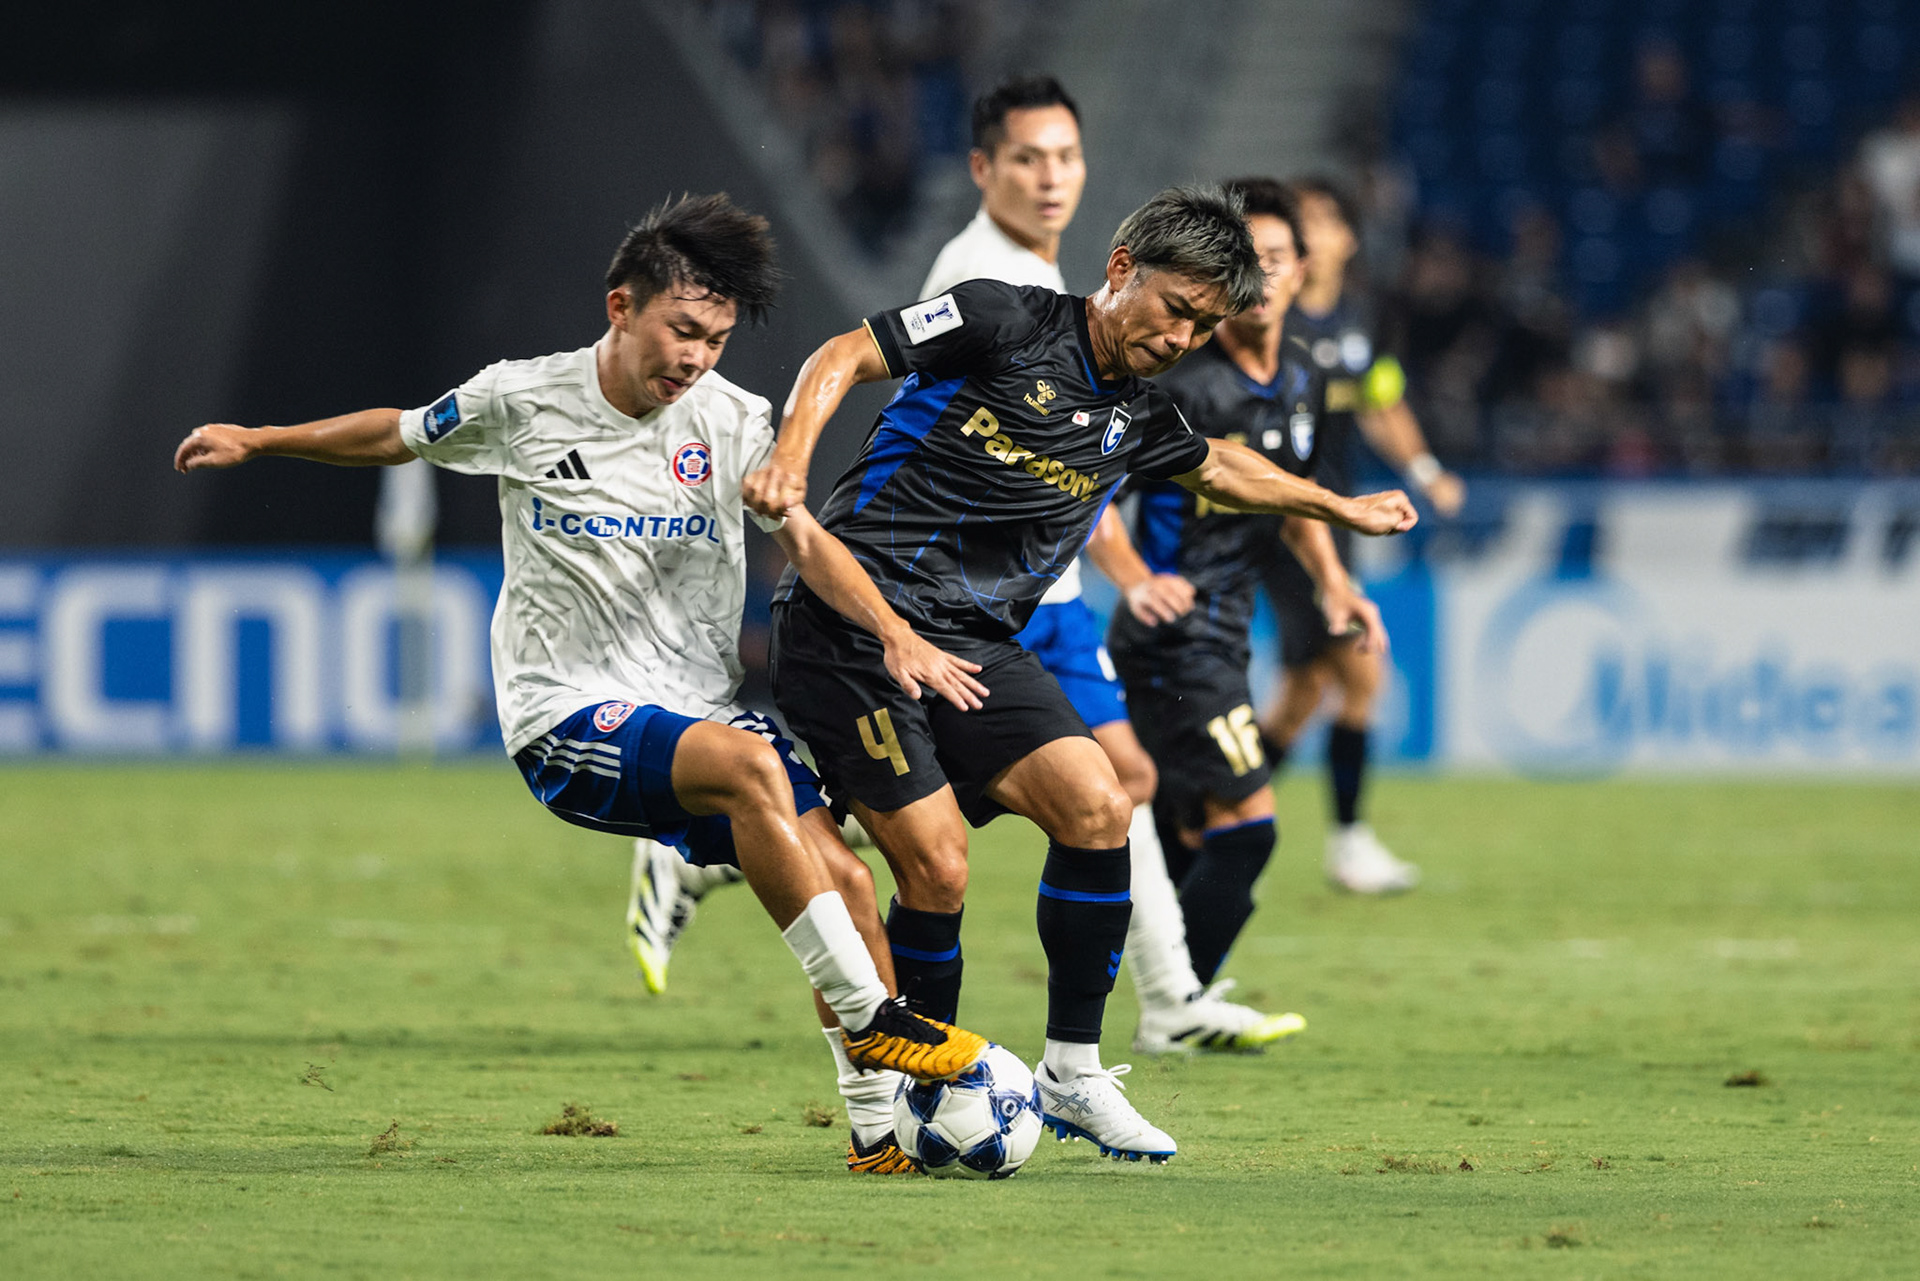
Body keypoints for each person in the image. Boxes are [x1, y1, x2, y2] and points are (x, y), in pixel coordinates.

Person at [172, 193, 993, 1174]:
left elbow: (803, 540)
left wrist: (897, 634)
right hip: (564, 713)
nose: (696, 357)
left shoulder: (735, 420)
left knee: (851, 884)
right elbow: (397, 433)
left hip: (696, 708)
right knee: (747, 769)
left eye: (717, 340)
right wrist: (261, 438)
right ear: (621, 307)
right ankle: (877, 1020)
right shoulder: (522, 400)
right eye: (683, 330)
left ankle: (874, 1134)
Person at [744, 185, 1419, 1162]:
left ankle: (1072, 1070)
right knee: (936, 862)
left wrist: (1338, 507)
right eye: (1176, 308)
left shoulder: (1141, 415)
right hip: (855, 618)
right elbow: (844, 354)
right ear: (1120, 270)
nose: (1184, 336)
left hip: (979, 641)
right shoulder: (999, 317)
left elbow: (1222, 467)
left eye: (1205, 324)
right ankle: (920, 1084)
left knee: (1101, 807)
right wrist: (790, 461)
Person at [631, 75, 1299, 1056]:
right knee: (1021, 816)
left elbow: (1106, 441)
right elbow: (1001, 424)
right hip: (972, 597)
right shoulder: (987, 275)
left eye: (1066, 157)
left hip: (1016, 600)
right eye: (1028, 159)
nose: (1052, 177)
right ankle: (1139, 1006)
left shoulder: (1077, 280)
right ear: (983, 168)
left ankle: (1151, 1005)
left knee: (1090, 794)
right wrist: (1117, 557)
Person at [1111, 179, 1383, 1018]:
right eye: (1247, 263)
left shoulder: (1302, 375)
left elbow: (1289, 496)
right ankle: (1176, 998)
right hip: (1173, 635)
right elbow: (1090, 496)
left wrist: (1336, 582)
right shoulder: (1184, 379)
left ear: (1302, 271)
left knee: (1190, 822)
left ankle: (1164, 983)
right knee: (1248, 821)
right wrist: (1136, 578)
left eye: (1273, 260)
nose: (1260, 279)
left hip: (1226, 630)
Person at [1255, 176, 1464, 894]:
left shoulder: (1361, 318)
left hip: (1331, 517)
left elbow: (1382, 401)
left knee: (1304, 691)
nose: (1310, 232)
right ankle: (1346, 842)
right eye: (1298, 221)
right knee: (1359, 672)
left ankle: (1221, 812)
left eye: (1321, 219)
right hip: (1285, 519)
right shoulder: (1268, 318)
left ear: (1347, 237)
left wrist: (1425, 467)